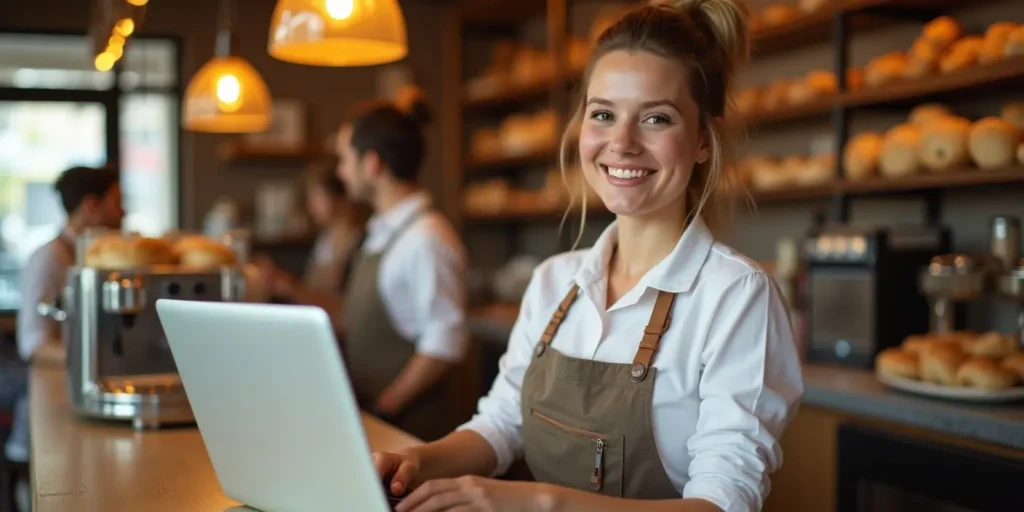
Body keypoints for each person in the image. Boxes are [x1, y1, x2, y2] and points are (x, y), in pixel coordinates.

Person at [373, 2, 804, 511]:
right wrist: (417, 461)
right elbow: (503, 423)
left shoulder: (736, 296)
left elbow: (723, 503)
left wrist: (543, 503)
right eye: (603, 114)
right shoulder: (555, 281)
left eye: (656, 118)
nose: (621, 143)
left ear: (704, 140)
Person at [335, 86, 469, 442]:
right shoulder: (382, 232)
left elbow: (446, 341)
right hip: (378, 430)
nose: (341, 172)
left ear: (373, 164)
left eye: (345, 160)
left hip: (410, 436)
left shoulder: (426, 238)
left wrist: (385, 406)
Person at [8, 166, 122, 509]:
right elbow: (33, 344)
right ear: (91, 205)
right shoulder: (49, 259)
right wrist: (97, 359)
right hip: (49, 406)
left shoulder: (94, 255)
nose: (122, 211)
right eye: (116, 202)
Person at [258, 156, 369, 328]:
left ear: (340, 195)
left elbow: (347, 310)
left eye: (317, 196)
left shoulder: (362, 242)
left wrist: (292, 288)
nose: (311, 207)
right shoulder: (325, 239)